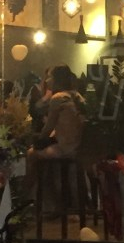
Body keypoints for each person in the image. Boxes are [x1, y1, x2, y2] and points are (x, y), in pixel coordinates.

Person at [26, 65, 86, 212]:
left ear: (57, 79)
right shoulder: (78, 96)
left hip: (66, 148)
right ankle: (54, 203)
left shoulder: (58, 98)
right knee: (49, 160)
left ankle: (29, 198)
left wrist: (39, 140)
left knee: (31, 154)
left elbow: (48, 128)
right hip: (80, 147)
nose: (47, 80)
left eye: (50, 77)